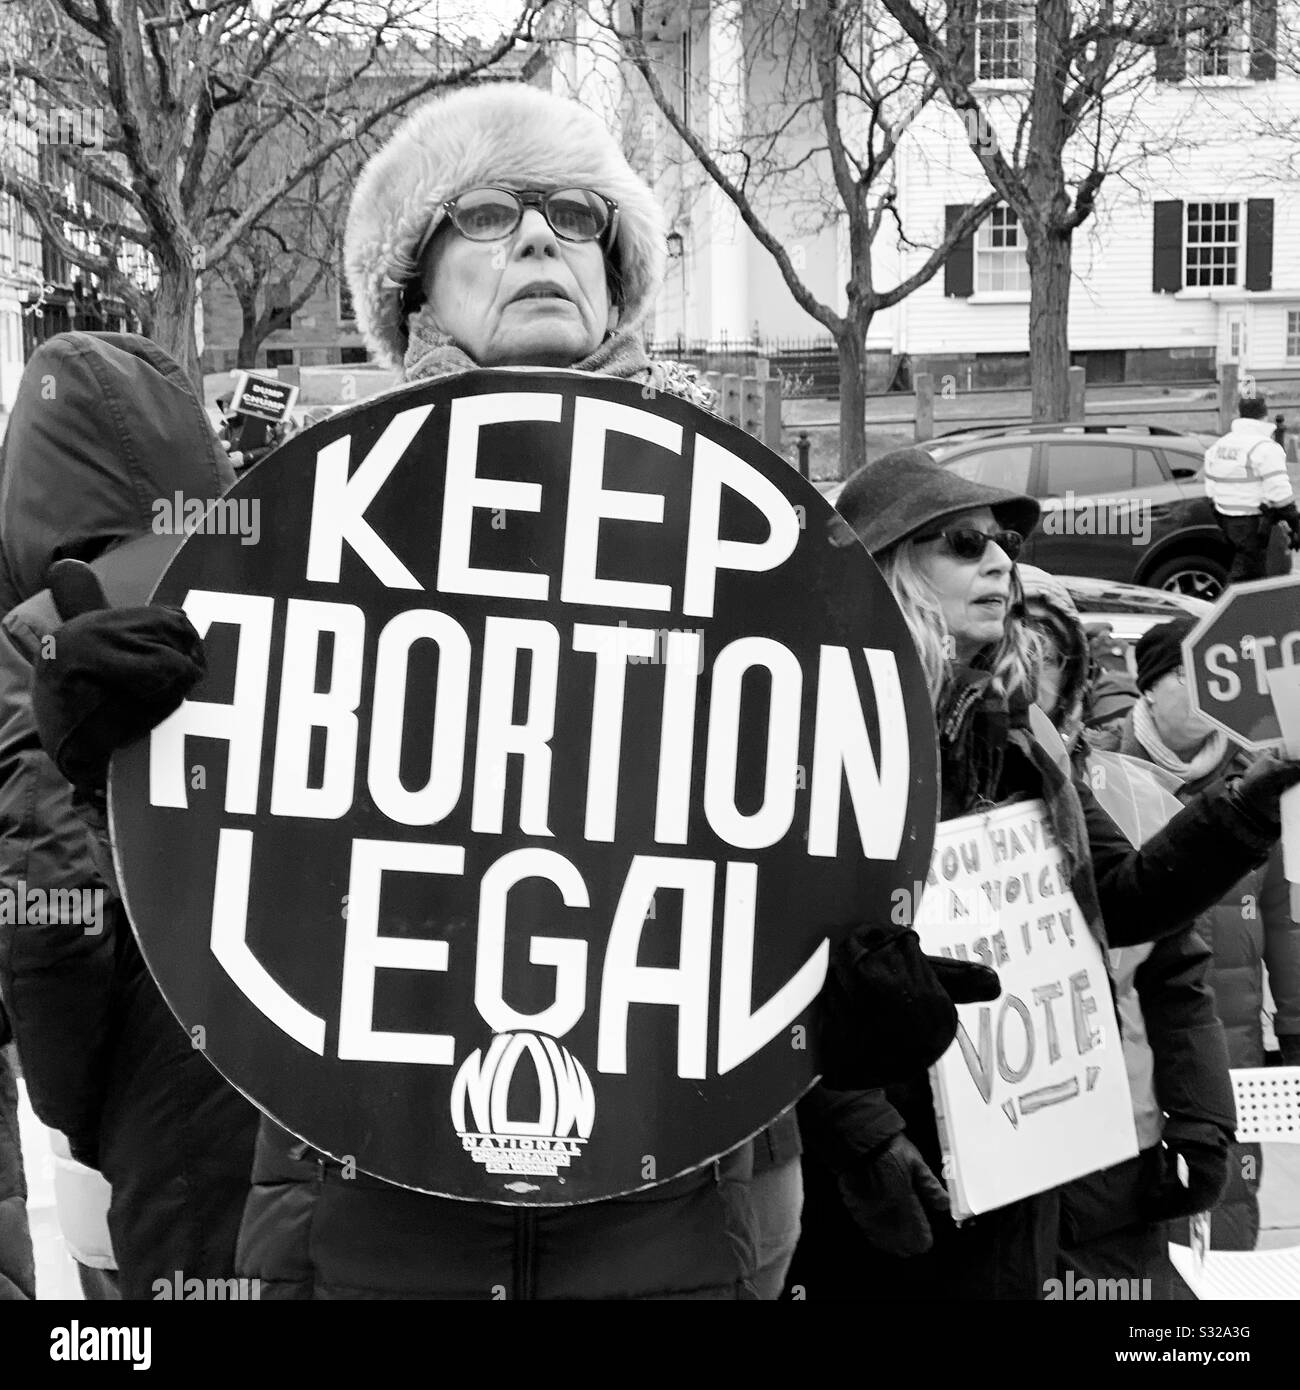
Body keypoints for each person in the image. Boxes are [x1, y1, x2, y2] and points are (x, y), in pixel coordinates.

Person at [24, 86, 987, 1300]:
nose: (539, 236)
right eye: (486, 211)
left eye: (576, 215)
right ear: (408, 288)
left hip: (685, 1223)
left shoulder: (754, 545)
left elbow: (802, 850)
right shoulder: (300, 543)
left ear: (615, 269)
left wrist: (850, 1028)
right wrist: (115, 754)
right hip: (363, 1225)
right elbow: (231, 891)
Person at [787, 448, 1300, 1301]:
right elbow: (776, 967)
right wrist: (868, 1138)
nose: (1000, 560)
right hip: (878, 1179)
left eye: (1003, 543)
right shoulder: (815, 734)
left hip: (1021, 1160)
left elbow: (1128, 903)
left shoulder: (1019, 735)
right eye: (962, 541)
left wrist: (1248, 802)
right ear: (886, 566)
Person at [0, 332, 260, 1299]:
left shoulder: (44, 640)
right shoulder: (279, 594)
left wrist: (74, 1114)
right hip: (312, 1117)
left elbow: (51, 922)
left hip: (162, 1132)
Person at [1018, 569, 1234, 1299]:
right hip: (985, 1182)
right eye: (1005, 645)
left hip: (1121, 1173)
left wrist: (1202, 1120)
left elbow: (1178, 975)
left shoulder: (1134, 797)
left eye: (1045, 649)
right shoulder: (922, 799)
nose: (1025, 668)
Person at [1119, 616, 1300, 1251]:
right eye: (1183, 673)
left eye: (1212, 673)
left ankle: (1214, 1348)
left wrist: (1296, 1028)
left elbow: (1286, 913)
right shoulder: (1103, 773)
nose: (1203, 689)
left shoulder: (1265, 779)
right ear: (1148, 688)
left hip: (1233, 1046)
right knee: (1136, 1220)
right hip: (1134, 1042)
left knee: (1225, 1207)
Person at [1203, 390, 1300, 584]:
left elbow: (1210, 488)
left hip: (1224, 519)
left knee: (1238, 569)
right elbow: (1279, 494)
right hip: (1251, 525)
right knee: (1247, 578)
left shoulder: (1220, 445)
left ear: (1240, 414)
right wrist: (1295, 522)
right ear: (1265, 415)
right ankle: (1231, 612)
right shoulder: (1264, 448)